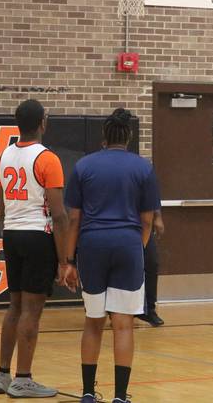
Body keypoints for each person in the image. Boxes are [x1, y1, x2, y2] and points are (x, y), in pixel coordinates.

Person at [63, 108, 160, 403]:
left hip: (92, 246)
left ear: (104, 136)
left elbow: (74, 220)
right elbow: (148, 220)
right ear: (129, 137)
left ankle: (88, 393)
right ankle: (120, 396)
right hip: (128, 244)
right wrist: (138, 248)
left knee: (94, 320)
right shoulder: (143, 168)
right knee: (123, 323)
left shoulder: (84, 166)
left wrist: (68, 260)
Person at [0, 100, 69, 397]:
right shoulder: (48, 158)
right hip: (38, 234)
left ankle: (2, 374)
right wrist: (65, 260)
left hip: (11, 233)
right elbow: (59, 215)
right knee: (32, 310)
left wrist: (12, 225)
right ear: (42, 124)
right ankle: (23, 379)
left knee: (14, 305)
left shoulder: (3, 155)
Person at [136, 209, 165, 327]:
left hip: (142, 222)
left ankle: (149, 310)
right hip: (119, 221)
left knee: (152, 262)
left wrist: (158, 217)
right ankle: (118, 312)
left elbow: (152, 194)